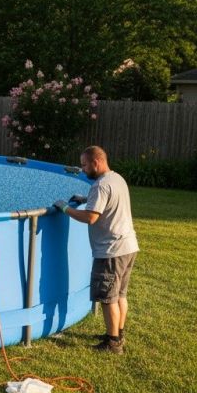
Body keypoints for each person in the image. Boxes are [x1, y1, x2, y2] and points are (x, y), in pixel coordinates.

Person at [54, 145, 139, 353]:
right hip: (128, 246)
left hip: (110, 250)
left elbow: (91, 217)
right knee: (120, 295)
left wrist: (65, 208)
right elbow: (107, 203)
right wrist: (86, 200)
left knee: (108, 298)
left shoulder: (100, 186)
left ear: (96, 162)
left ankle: (112, 343)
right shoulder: (116, 178)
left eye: (84, 165)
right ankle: (118, 333)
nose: (82, 170)